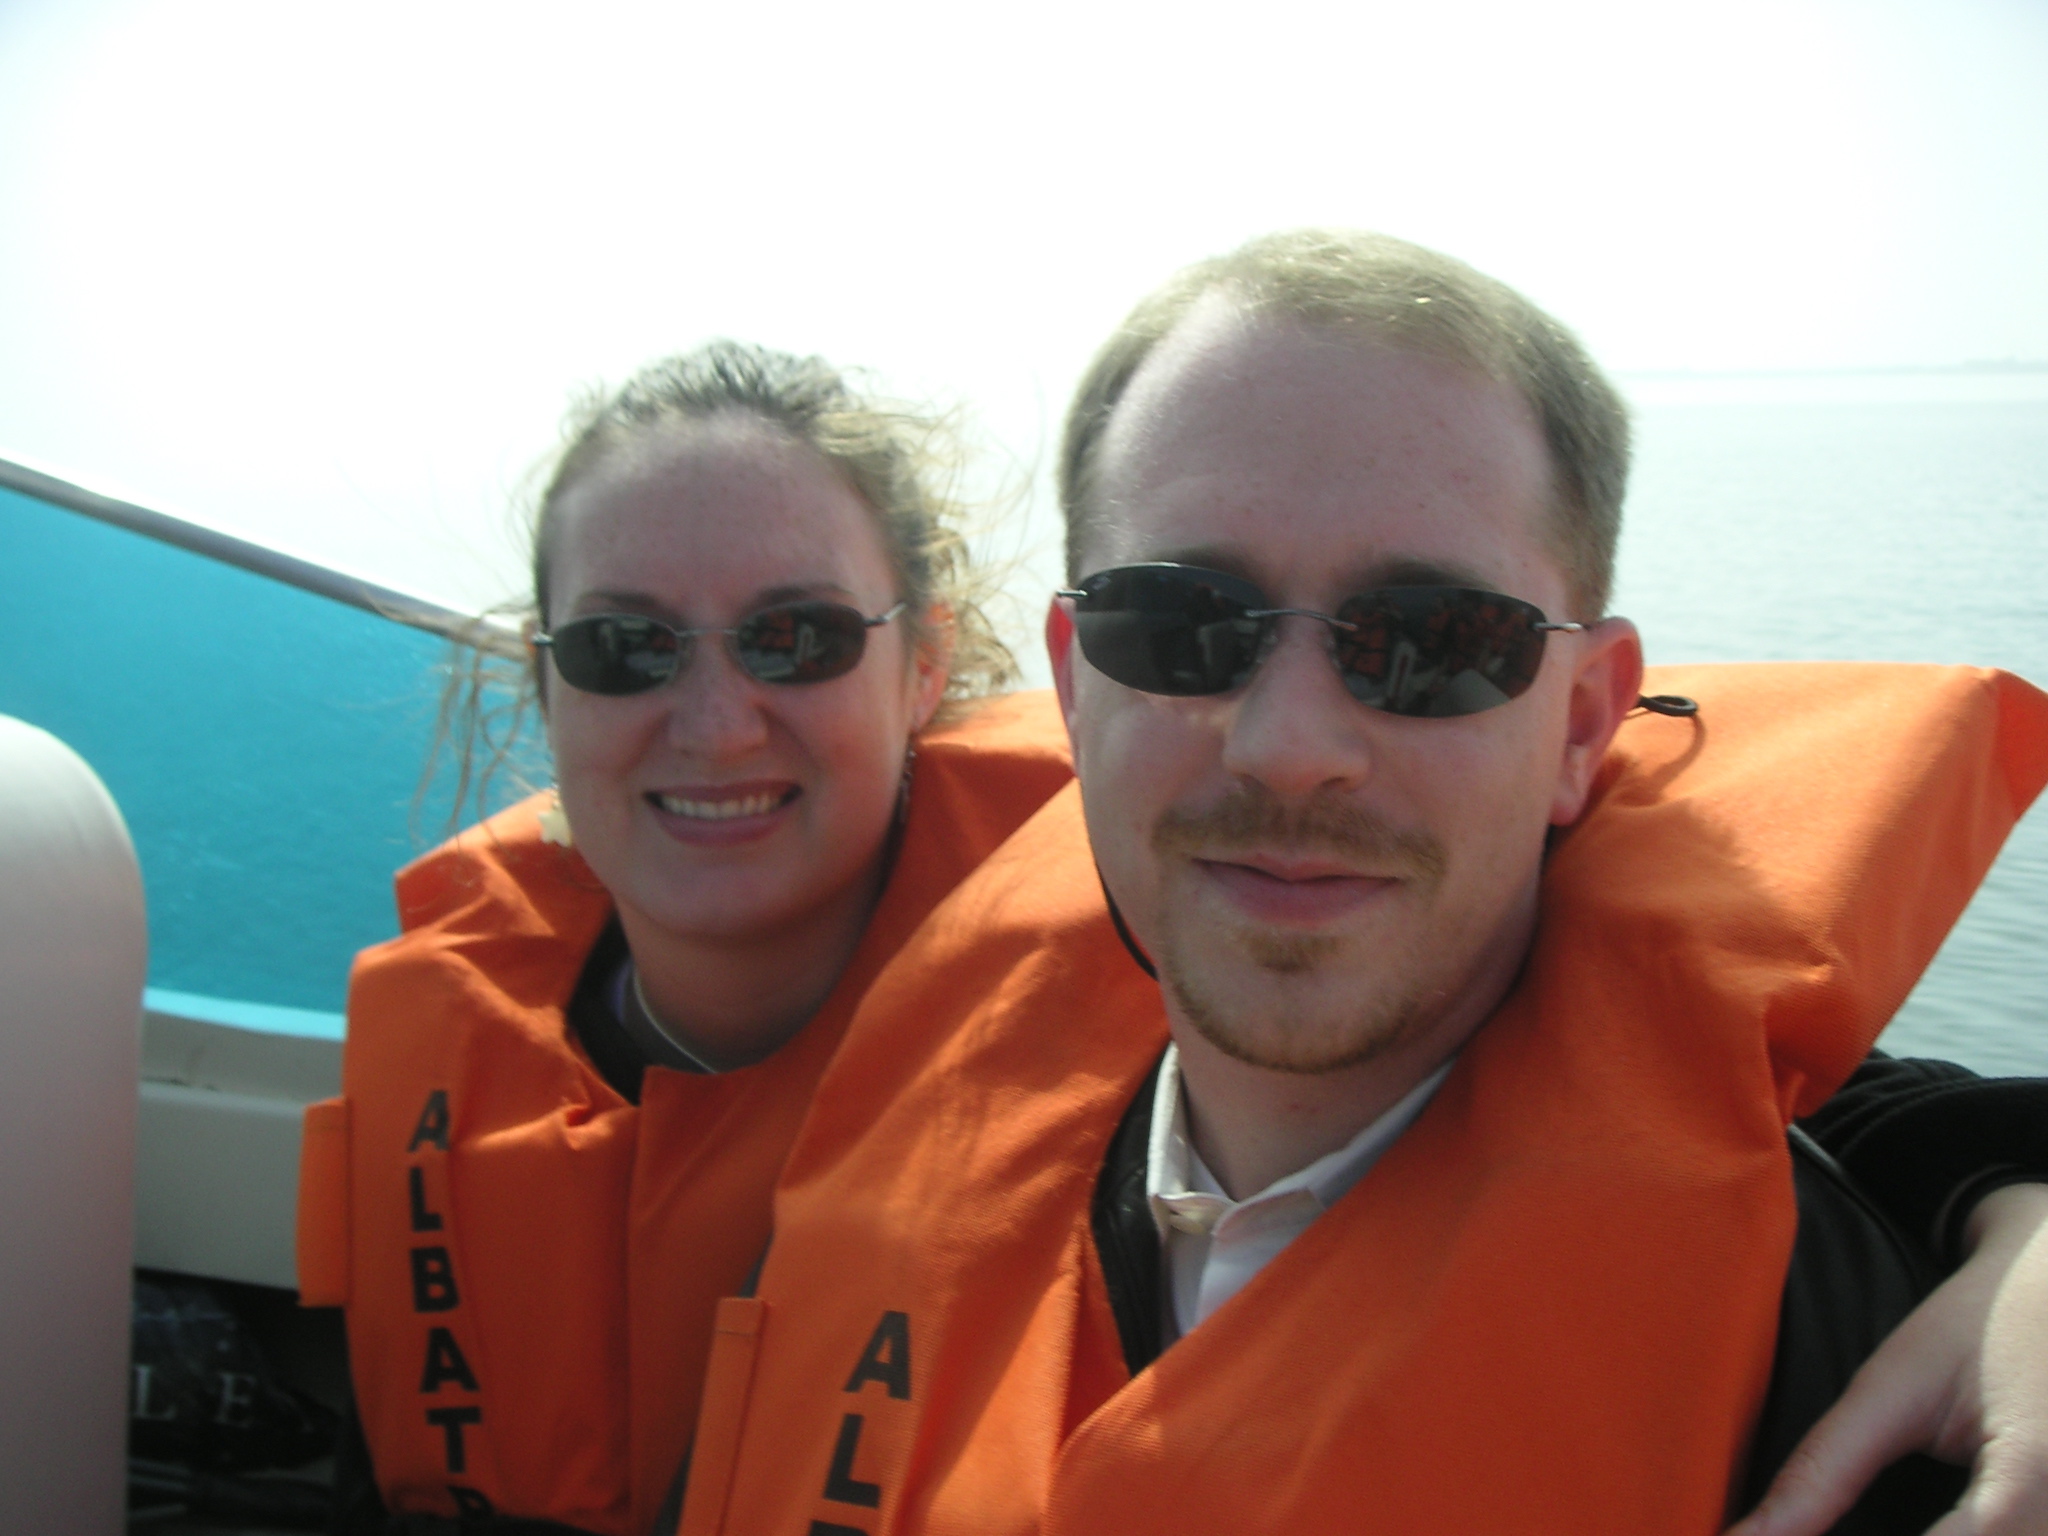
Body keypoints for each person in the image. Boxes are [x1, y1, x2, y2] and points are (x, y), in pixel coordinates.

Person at [675, 233, 2048, 1536]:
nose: (1290, 747)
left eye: (1430, 641)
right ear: (1076, 680)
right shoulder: (901, 1089)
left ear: (1582, 723)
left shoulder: (1878, 1391)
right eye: (1181, 625)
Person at [294, 342, 1075, 1533]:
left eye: (797, 638)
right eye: (626, 649)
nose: (713, 727)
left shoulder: (1129, 1061)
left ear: (923, 666)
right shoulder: (443, 1052)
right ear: (547, 684)